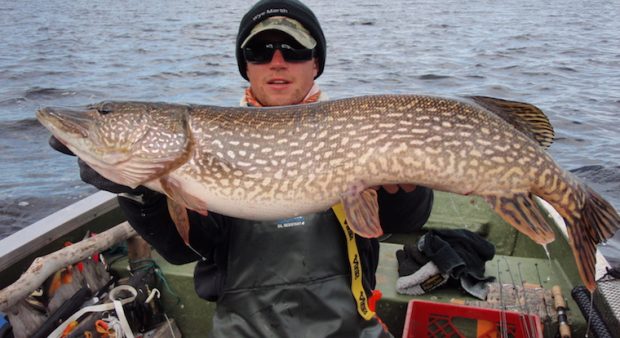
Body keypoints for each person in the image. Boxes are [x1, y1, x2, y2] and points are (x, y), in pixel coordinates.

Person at [51, 0, 433, 336]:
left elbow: (408, 220)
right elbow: (185, 249)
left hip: (348, 328)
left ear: (315, 63)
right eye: (260, 50)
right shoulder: (204, 150)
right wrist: (137, 192)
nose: (277, 61)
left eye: (295, 49)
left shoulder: (358, 128)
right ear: (246, 67)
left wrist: (407, 189)